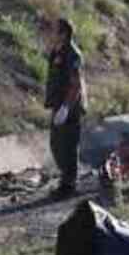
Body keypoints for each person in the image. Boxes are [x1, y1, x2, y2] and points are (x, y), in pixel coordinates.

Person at [45, 17, 87, 198]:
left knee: (68, 146)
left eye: (54, 30)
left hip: (69, 107)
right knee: (56, 144)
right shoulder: (58, 52)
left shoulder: (72, 54)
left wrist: (66, 108)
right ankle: (66, 180)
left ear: (63, 34)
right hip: (58, 105)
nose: (50, 33)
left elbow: (75, 84)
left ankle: (69, 185)